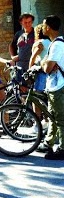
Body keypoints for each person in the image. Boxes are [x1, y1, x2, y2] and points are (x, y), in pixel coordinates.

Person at [37, 15, 64, 160]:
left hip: (59, 86)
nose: (41, 27)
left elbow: (47, 68)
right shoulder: (56, 43)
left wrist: (43, 62)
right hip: (55, 85)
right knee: (53, 116)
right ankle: (49, 142)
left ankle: (62, 149)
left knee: (60, 119)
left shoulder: (57, 45)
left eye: (42, 25)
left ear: (48, 27)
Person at [29, 23, 51, 93]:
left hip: (41, 72)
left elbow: (33, 58)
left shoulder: (38, 43)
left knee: (37, 95)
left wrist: (29, 70)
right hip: (50, 72)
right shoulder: (51, 43)